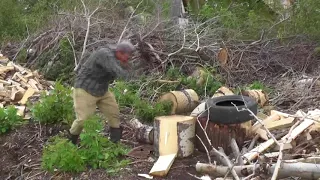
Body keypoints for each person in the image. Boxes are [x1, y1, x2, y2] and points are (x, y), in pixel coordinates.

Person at [68, 40, 136, 145]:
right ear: (120, 52)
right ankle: (70, 142)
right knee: (82, 120)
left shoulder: (117, 57)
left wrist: (127, 67)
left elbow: (125, 70)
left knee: (114, 114)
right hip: (85, 89)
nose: (128, 59)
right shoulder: (105, 54)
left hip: (102, 90)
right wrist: (128, 71)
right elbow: (118, 72)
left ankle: (115, 144)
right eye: (127, 57)